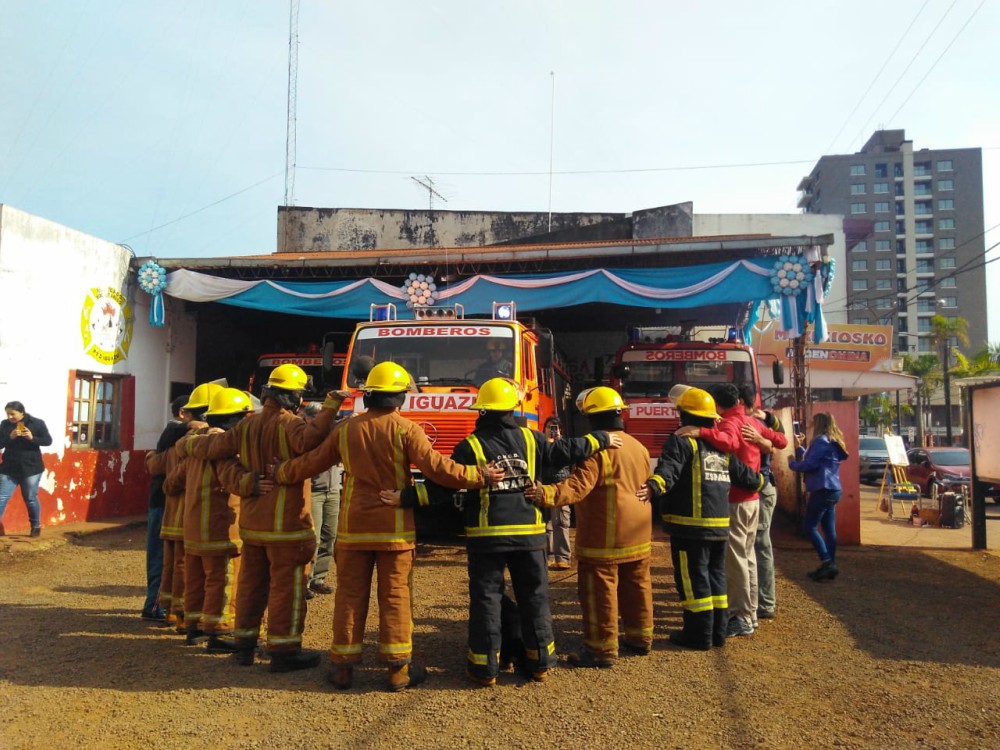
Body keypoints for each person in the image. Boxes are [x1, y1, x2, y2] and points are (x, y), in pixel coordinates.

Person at [272, 362, 503, 692]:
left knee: (349, 597)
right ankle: (397, 672)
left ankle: (342, 669)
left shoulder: (346, 430)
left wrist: (280, 473)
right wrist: (479, 476)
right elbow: (438, 469)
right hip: (394, 530)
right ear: (400, 398)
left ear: (369, 396)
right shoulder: (406, 430)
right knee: (395, 596)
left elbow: (311, 463)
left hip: (353, 529)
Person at [381, 377, 621, 687]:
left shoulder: (470, 446)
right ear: (511, 408)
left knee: (487, 600)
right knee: (534, 598)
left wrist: (405, 498)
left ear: (481, 411)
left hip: (487, 537)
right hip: (530, 536)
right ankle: (540, 664)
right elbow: (565, 451)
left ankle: (484, 669)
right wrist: (601, 438)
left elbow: (444, 484)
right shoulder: (533, 439)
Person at [185, 363, 344, 673]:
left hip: (253, 525)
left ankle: (244, 647)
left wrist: (244, 480)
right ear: (293, 397)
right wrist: (331, 406)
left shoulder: (246, 426)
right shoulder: (290, 425)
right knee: (287, 588)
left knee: (251, 585)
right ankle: (284, 652)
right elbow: (309, 440)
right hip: (286, 527)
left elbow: (216, 449)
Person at [528, 387, 653, 669]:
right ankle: (640, 637)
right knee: (638, 586)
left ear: (591, 419)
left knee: (600, 591)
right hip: (639, 533)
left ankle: (601, 650)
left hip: (604, 537)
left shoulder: (599, 451)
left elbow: (576, 488)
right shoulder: (639, 447)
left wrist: (543, 494)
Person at [648, 387, 765, 650]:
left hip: (689, 527)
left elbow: (669, 471)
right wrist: (763, 479)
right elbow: (749, 478)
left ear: (684, 415)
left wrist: (653, 486)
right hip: (720, 527)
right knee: (716, 577)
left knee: (692, 580)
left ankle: (698, 636)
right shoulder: (720, 448)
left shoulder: (680, 441)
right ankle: (717, 634)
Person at [676, 382, 784, 638]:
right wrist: (762, 438)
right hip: (753, 498)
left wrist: (700, 431)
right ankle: (751, 613)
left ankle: (742, 616)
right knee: (748, 557)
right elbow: (781, 439)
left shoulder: (729, 423)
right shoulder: (750, 420)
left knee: (736, 561)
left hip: (736, 499)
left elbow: (728, 442)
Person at [167, 388, 260, 653]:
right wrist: (255, 482)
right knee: (223, 580)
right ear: (237, 418)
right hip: (220, 527)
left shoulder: (196, 446)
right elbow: (234, 480)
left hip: (194, 525)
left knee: (196, 579)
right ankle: (219, 633)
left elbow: (173, 481)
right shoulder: (224, 449)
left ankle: (194, 628)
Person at [149, 383, 218, 631]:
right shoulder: (207, 442)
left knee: (172, 566)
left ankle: (172, 614)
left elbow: (156, 466)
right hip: (193, 516)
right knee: (190, 569)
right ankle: (187, 617)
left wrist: (150, 457)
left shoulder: (176, 441)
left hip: (172, 515)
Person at [141, 395, 192, 621]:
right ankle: (155, 605)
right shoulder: (174, 430)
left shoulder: (176, 438)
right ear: (182, 413)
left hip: (166, 504)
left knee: (170, 558)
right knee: (163, 558)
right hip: (163, 505)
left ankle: (162, 605)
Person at [737, 385, 785, 622]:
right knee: (747, 547)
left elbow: (777, 444)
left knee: (759, 545)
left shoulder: (758, 421)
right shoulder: (742, 421)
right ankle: (750, 601)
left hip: (761, 489)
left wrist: (763, 436)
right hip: (749, 491)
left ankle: (764, 603)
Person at [789, 412, 849, 582]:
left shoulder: (820, 441)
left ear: (819, 424)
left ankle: (827, 562)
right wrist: (800, 447)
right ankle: (830, 565)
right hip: (833, 489)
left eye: (813, 424)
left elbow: (809, 464)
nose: (811, 427)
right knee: (829, 530)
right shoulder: (833, 442)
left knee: (809, 527)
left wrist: (792, 463)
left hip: (822, 489)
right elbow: (816, 460)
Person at [300, 401, 342, 597]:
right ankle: (305, 581)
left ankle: (319, 578)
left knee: (329, 536)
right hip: (314, 492)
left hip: (333, 490)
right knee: (313, 538)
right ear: (308, 418)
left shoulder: (331, 434)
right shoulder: (304, 438)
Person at [0, 401, 52, 537]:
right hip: (9, 467)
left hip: (31, 467)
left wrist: (32, 438)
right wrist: (10, 437)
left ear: (21, 412)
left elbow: (48, 440)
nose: (10, 417)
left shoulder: (37, 423)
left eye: (13, 414)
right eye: (8, 414)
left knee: (30, 498)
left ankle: (35, 526)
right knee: (2, 497)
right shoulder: (5, 425)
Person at [542, 417, 573, 571]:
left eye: (555, 427)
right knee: (546, 524)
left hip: (560, 486)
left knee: (560, 521)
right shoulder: (541, 445)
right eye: (549, 427)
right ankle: (548, 556)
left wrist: (558, 441)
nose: (552, 430)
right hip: (544, 486)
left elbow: (567, 458)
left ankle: (563, 558)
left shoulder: (565, 445)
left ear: (561, 430)